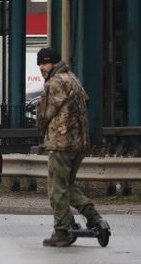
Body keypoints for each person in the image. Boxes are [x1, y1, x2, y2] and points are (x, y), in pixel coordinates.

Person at [34, 46, 107, 247]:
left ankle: (62, 231)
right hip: (79, 143)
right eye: (40, 63)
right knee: (67, 185)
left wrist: (41, 128)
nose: (41, 67)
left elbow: (46, 113)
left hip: (61, 143)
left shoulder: (56, 82)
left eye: (44, 62)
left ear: (54, 63)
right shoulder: (73, 79)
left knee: (56, 188)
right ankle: (93, 216)